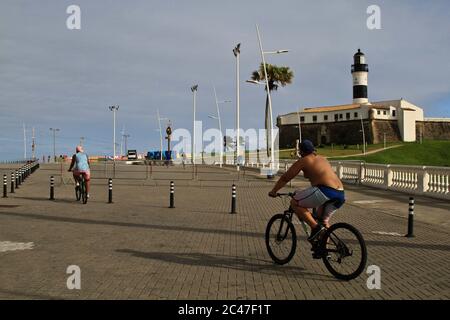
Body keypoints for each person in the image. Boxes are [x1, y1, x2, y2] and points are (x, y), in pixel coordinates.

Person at [268, 140, 345, 244]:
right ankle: (325, 250)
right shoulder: (322, 158)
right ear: (313, 150)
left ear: (301, 152)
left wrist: (274, 191)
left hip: (325, 191)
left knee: (295, 203)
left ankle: (315, 228)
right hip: (340, 193)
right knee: (323, 221)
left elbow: (286, 178)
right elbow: (318, 178)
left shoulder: (304, 160)